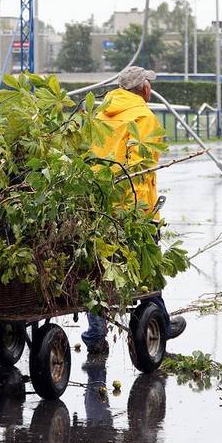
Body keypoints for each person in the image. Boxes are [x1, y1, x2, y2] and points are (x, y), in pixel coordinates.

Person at [81, 66, 187, 356]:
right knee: (146, 272)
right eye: (148, 84)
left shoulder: (97, 115)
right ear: (144, 89)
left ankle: (95, 335)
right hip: (135, 211)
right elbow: (142, 169)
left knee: (98, 273)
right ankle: (160, 326)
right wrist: (142, 212)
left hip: (97, 209)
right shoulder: (144, 118)